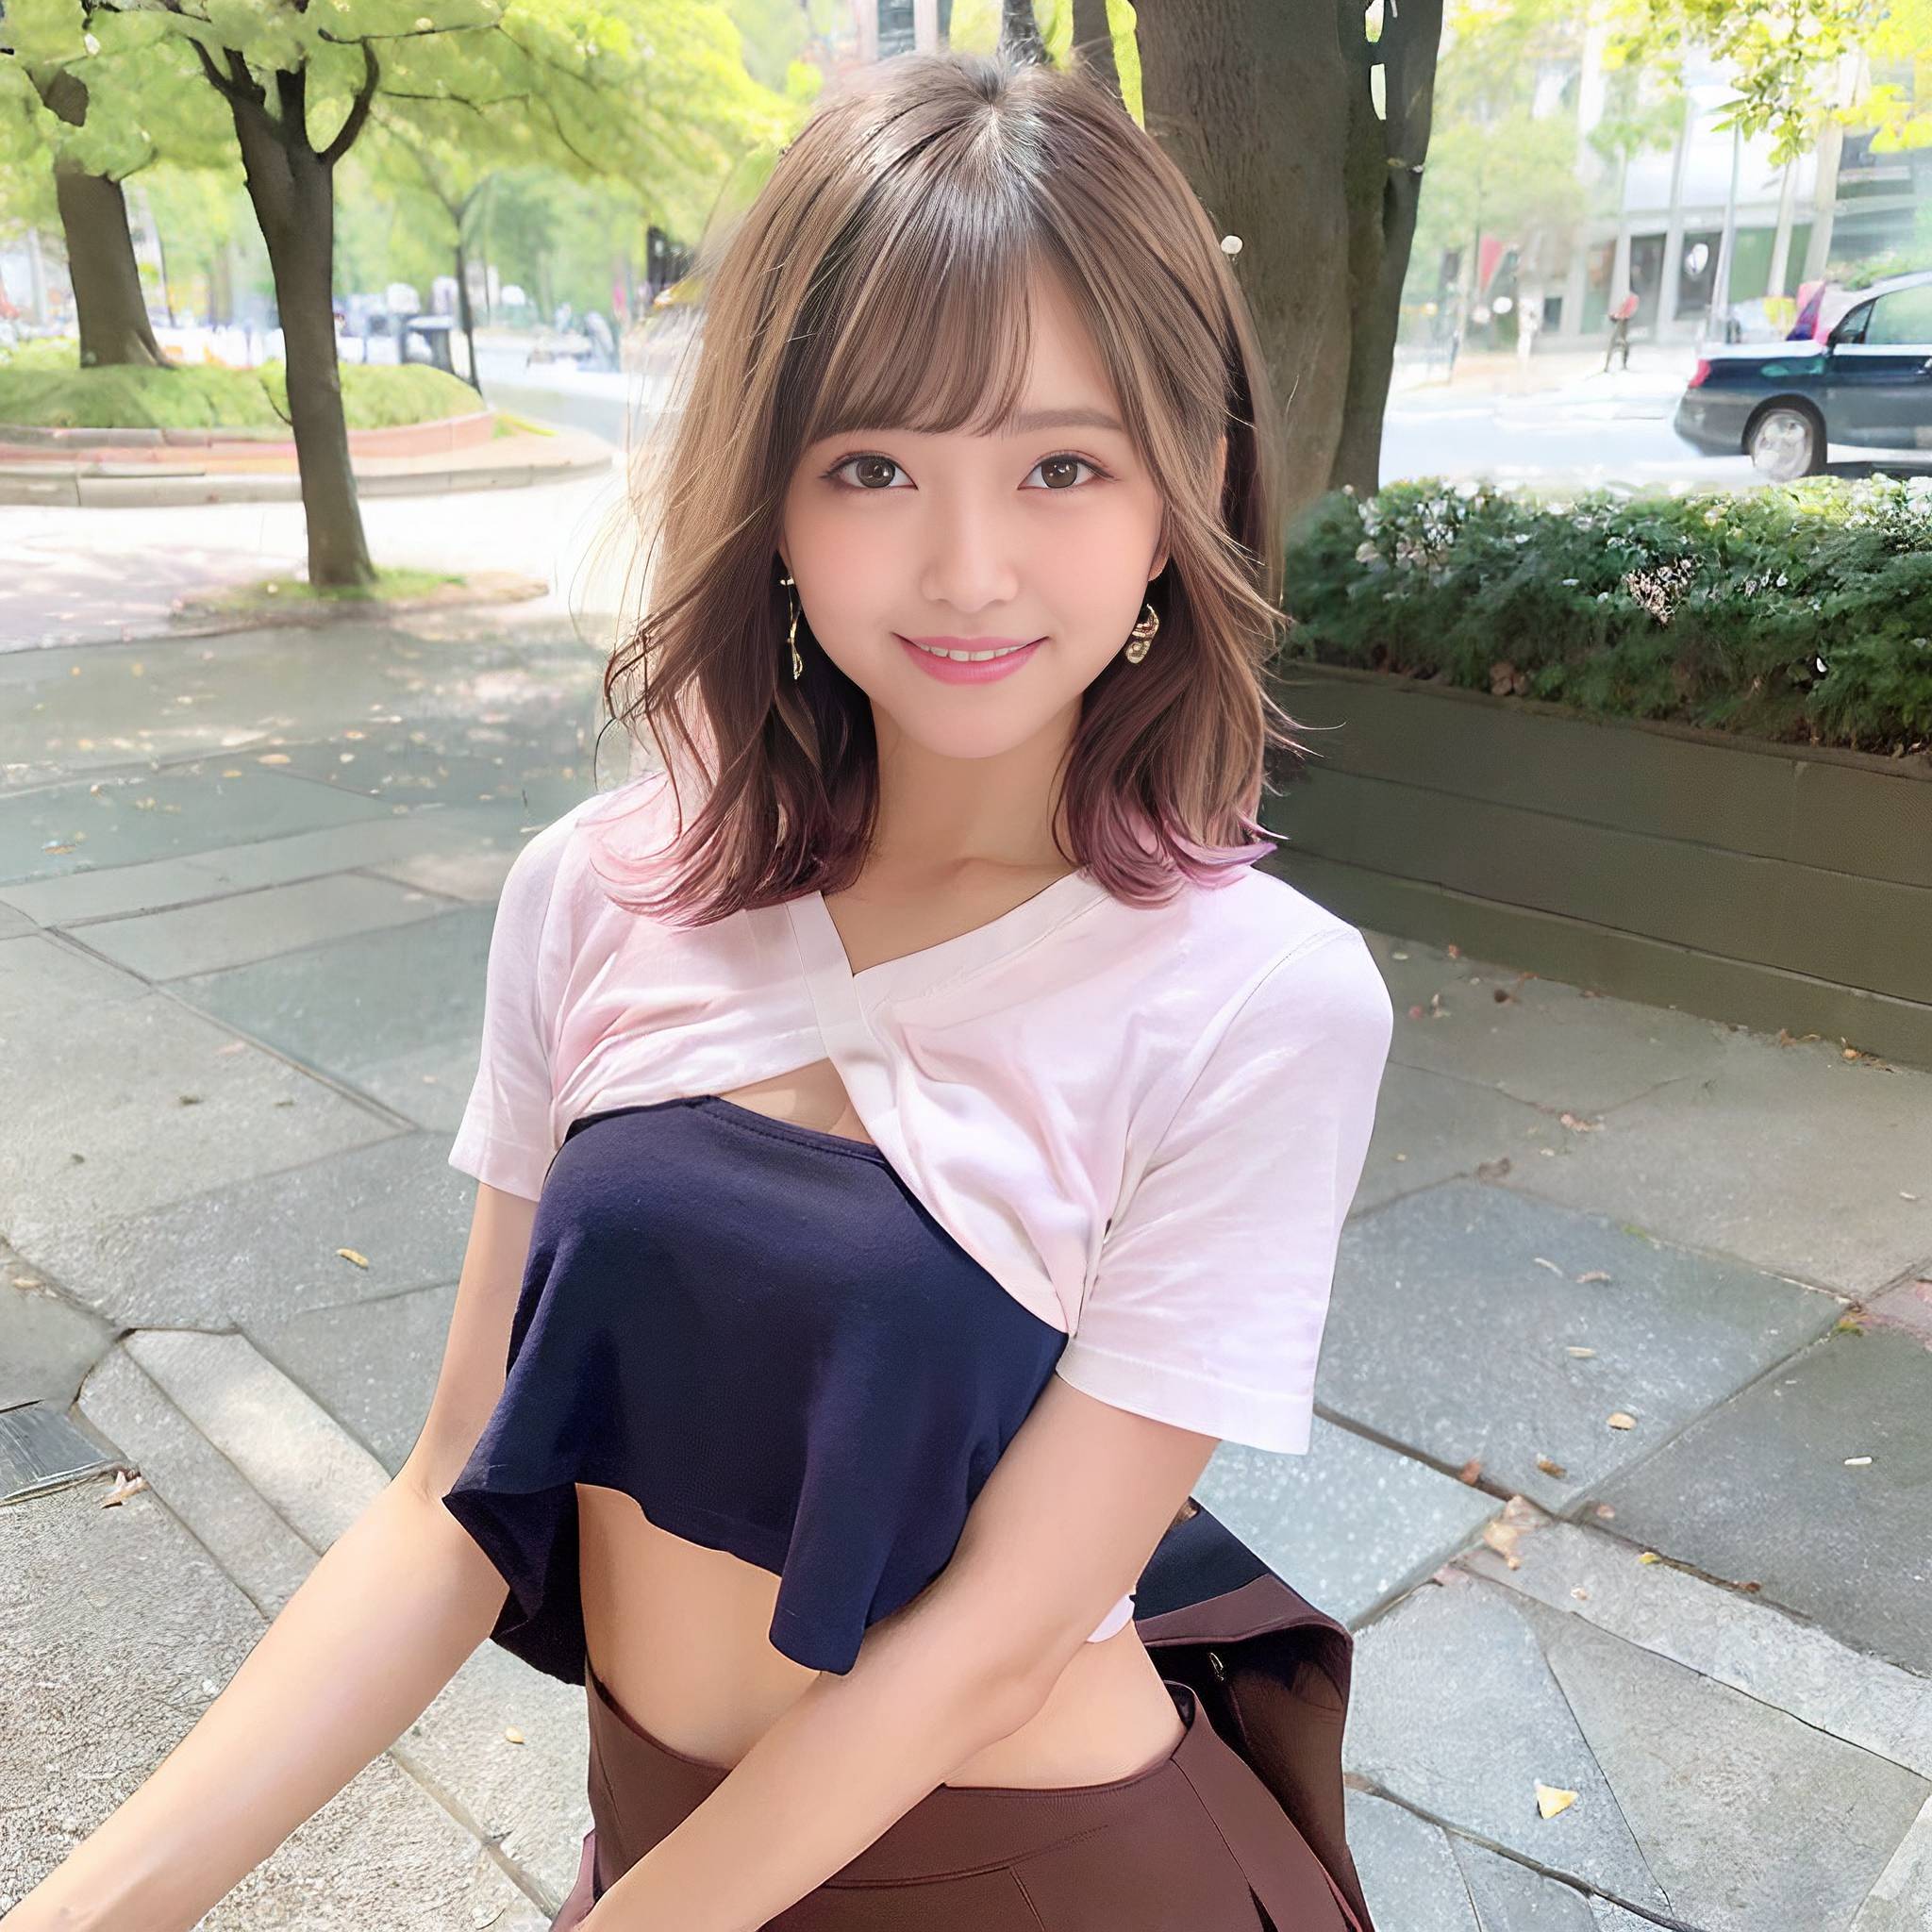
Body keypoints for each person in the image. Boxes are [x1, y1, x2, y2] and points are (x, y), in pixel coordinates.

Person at [4, 48, 1393, 1932]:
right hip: (670, 1849)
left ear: (1186, 488)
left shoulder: (1258, 1000)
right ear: (777, 497)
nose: (966, 564)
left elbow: (994, 1636)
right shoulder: (599, 891)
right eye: (873, 465)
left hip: (1026, 1872)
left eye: (1062, 464)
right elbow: (446, 1507)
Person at [1604, 290, 1639, 372]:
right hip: (1621, 321)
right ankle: (1610, 365)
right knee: (1620, 343)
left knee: (1618, 342)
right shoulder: (1630, 298)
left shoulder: (1632, 298)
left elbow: (1627, 311)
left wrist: (1619, 315)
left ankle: (1611, 365)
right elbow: (1623, 310)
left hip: (1622, 321)